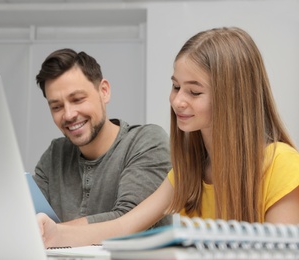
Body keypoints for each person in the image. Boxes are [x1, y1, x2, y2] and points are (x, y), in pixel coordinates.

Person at [36, 27, 299, 247]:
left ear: (233, 98)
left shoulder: (282, 166)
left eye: (194, 92)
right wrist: (53, 233)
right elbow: (124, 225)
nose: (178, 101)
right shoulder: (188, 171)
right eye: (176, 87)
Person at [34, 48, 172, 227]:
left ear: (104, 91)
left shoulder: (147, 141)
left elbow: (130, 221)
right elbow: (28, 220)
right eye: (57, 107)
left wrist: (51, 232)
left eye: (77, 99)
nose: (68, 115)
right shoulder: (55, 155)